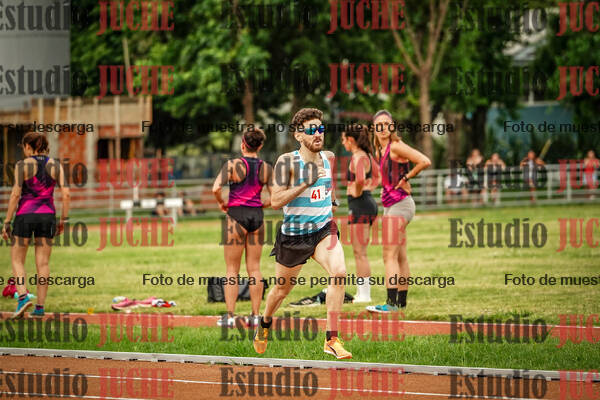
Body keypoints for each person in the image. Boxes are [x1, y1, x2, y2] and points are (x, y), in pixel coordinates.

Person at [253, 107, 352, 359]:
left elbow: (329, 185)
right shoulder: (287, 162)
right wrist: (305, 182)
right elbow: (275, 201)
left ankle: (331, 339)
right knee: (281, 291)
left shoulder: (329, 157)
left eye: (321, 128)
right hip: (294, 236)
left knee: (339, 272)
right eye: (311, 130)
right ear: (298, 135)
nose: (318, 134)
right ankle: (264, 322)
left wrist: (333, 200)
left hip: (323, 229)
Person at [366, 110, 430, 313]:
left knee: (389, 255)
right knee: (400, 256)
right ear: (374, 129)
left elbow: (424, 160)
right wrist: (384, 186)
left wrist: (406, 178)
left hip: (401, 205)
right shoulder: (380, 150)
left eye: (387, 124)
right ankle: (400, 303)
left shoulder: (395, 146)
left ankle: (391, 304)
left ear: (392, 126)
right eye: (379, 125)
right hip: (392, 205)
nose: (383, 128)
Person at [1, 132, 70, 319]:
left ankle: (23, 297)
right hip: (48, 216)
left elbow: (15, 195)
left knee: (17, 260)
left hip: (25, 215)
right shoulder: (56, 165)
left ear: (28, 147)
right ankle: (39, 307)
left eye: (24, 147)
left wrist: (7, 222)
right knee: (43, 263)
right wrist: (63, 220)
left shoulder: (22, 165)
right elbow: (66, 194)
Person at [212, 127, 272, 328]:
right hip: (257, 218)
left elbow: (216, 188)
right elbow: (275, 198)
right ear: (260, 146)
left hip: (236, 216)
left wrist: (222, 203)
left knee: (232, 269)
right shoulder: (266, 168)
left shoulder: (232, 165)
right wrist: (262, 204)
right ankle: (255, 316)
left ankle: (230, 316)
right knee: (254, 268)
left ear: (242, 144)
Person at [341, 124, 380, 303]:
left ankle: (364, 295)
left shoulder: (357, 157)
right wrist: (368, 188)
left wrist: (357, 191)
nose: (343, 143)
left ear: (350, 140)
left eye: (344, 140)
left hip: (360, 204)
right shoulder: (367, 156)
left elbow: (361, 179)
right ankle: (361, 293)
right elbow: (378, 176)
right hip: (367, 203)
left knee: (360, 253)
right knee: (360, 252)